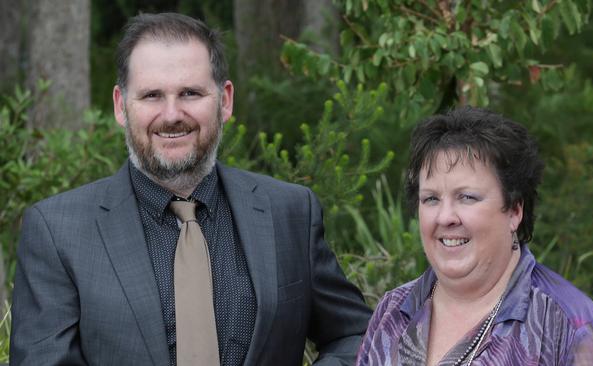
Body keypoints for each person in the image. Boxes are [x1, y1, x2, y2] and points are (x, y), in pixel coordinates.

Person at [10, 12, 371, 366]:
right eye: (152, 95)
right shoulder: (58, 231)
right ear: (121, 106)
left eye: (190, 93)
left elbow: (356, 335)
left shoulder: (289, 212)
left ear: (225, 100)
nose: (171, 114)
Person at [356, 107, 593, 365]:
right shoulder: (393, 311)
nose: (445, 217)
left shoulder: (570, 328)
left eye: (466, 197)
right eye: (431, 199)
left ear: (514, 210)